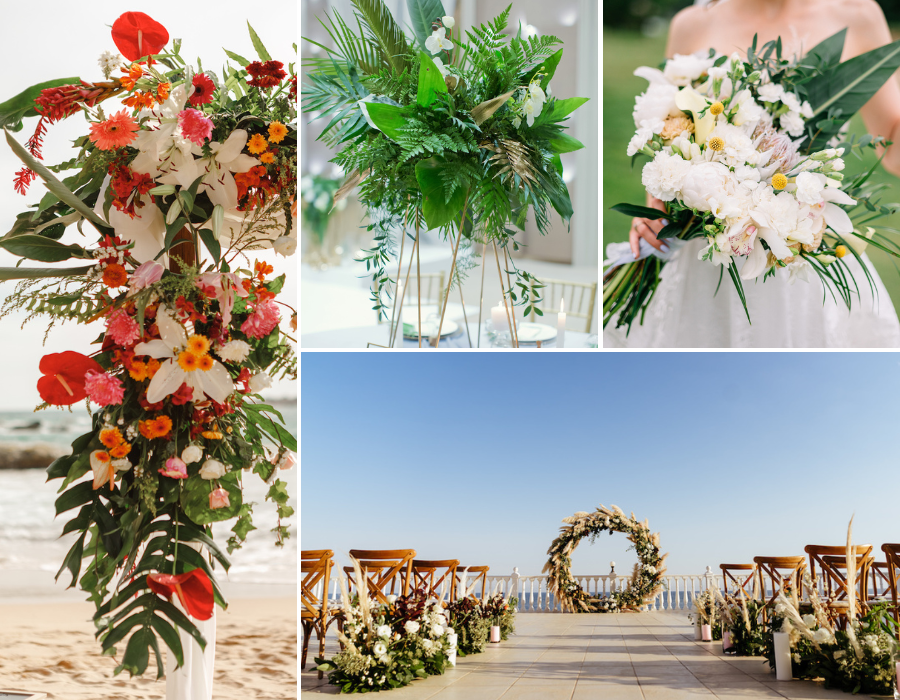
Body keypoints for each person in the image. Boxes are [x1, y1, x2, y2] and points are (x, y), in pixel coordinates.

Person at [605, 0, 900, 347]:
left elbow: (891, 144)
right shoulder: (692, 23)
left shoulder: (856, 14)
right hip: (704, 254)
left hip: (797, 257)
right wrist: (655, 209)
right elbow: (670, 128)